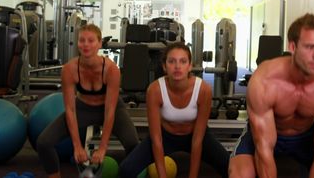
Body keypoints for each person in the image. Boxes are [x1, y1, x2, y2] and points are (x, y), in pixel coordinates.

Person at [229, 13, 314, 178]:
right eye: (310, 47)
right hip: (269, 134)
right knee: (240, 174)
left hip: (307, 135)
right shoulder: (265, 80)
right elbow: (263, 150)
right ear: (293, 47)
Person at [37, 24, 139, 178]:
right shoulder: (69, 70)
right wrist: (77, 146)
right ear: (77, 43)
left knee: (132, 143)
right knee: (44, 142)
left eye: (91, 41)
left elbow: (109, 111)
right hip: (82, 108)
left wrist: (103, 148)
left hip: (111, 108)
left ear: (99, 44)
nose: (85, 45)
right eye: (82, 40)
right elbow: (70, 109)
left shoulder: (111, 70)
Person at [119, 42, 229, 178]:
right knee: (126, 170)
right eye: (172, 61)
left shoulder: (203, 89)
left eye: (183, 61)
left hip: (195, 136)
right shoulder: (155, 90)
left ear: (190, 66)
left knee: (230, 168)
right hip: (165, 137)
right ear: (165, 67)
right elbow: (156, 139)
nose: (177, 66)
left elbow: (197, 140)